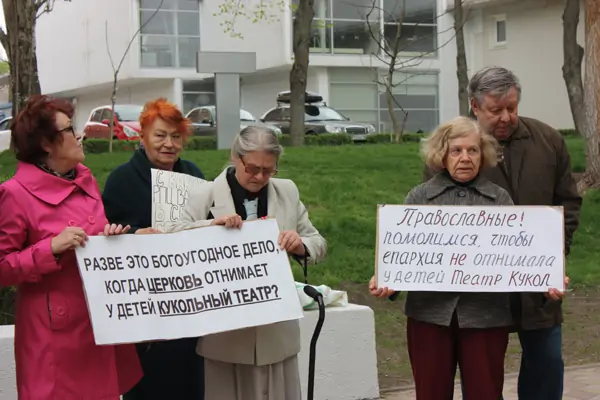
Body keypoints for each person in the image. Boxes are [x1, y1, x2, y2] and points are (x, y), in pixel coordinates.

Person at [424, 66, 582, 400]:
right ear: (475, 106)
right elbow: (433, 217)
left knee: (547, 361)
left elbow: (567, 202)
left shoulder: (549, 140)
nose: (506, 117)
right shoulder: (455, 148)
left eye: (512, 107)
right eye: (496, 110)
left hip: (538, 283)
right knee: (482, 372)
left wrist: (555, 256)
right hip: (479, 292)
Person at [167, 126, 327, 400]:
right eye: (252, 169)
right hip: (226, 336)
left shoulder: (287, 191)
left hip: (277, 332)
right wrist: (210, 227)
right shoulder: (204, 194)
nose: (260, 177)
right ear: (235, 157)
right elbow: (172, 238)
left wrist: (300, 244)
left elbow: (317, 242)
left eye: (268, 170)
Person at [0, 95, 142, 399]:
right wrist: (49, 249)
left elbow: (92, 238)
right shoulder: (15, 194)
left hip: (98, 323)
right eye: (69, 130)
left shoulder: (84, 181)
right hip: (52, 337)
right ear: (46, 144)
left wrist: (110, 237)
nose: (80, 135)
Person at [370, 116, 515, 399]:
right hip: (429, 316)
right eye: (456, 150)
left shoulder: (500, 200)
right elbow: (402, 254)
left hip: (486, 317)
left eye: (472, 150)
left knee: (486, 393)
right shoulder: (419, 198)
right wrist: (388, 279)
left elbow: (519, 258)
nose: (465, 158)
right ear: (442, 154)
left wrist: (547, 279)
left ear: (482, 154)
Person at [102, 98, 206, 400]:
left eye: (176, 136)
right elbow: (106, 239)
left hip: (189, 304)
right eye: (160, 135)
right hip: (145, 312)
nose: (169, 144)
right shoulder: (121, 181)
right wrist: (136, 235)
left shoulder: (194, 175)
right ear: (143, 136)